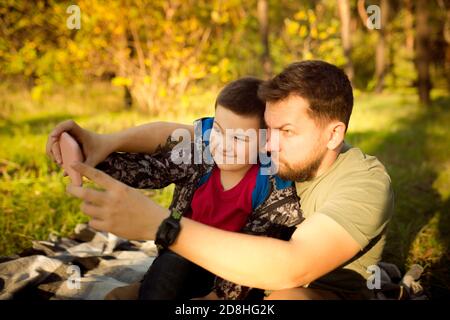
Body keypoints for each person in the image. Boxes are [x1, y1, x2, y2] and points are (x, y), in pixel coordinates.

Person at [46, 60, 394, 300]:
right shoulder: (263, 149)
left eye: (285, 131)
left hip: (300, 286)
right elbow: (180, 136)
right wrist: (102, 143)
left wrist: (161, 225)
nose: (269, 144)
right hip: (223, 264)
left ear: (334, 135)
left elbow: (291, 266)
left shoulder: (364, 184)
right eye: (268, 130)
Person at [93, 77, 303, 300]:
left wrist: (215, 297)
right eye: (218, 131)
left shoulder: (269, 186)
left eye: (239, 139)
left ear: (264, 142)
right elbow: (150, 169)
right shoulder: (199, 158)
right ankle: (146, 287)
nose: (223, 145)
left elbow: (258, 255)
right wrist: (95, 161)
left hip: (237, 272)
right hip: (186, 255)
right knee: (171, 265)